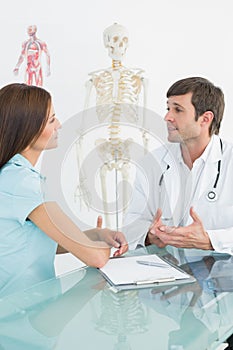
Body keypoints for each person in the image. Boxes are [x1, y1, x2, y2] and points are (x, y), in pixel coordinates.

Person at [0, 83, 128, 298]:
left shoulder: (13, 176)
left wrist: (95, 235)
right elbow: (95, 258)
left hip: (27, 308)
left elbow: (43, 243)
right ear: (27, 130)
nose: (59, 125)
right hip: (20, 312)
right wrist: (97, 249)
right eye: (52, 120)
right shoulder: (22, 183)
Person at [124, 77, 233, 255]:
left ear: (205, 119)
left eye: (178, 110)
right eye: (168, 108)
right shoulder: (152, 163)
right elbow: (132, 224)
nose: (167, 117)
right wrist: (149, 235)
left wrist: (209, 240)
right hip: (167, 271)